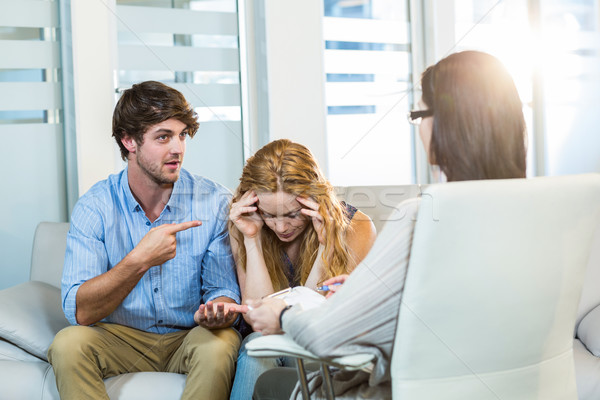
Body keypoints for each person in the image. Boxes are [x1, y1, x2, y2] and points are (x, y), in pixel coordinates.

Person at [245, 50, 527, 399]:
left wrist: (284, 314)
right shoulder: (541, 215)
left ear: (445, 125)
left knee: (269, 386)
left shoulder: (419, 220)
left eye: (419, 114)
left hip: (417, 389)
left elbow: (328, 336)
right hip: (505, 386)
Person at [47, 81, 244, 400]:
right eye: (163, 137)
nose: (178, 148)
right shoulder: (95, 207)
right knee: (68, 344)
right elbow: (80, 312)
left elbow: (222, 288)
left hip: (190, 336)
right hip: (120, 339)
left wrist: (220, 308)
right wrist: (139, 261)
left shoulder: (214, 202)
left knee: (221, 343)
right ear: (129, 141)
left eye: (182, 135)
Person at [228, 139, 377, 399]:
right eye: (269, 215)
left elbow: (315, 319)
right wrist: (252, 239)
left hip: (323, 344)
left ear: (315, 199)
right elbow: (258, 320)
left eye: (293, 214)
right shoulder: (245, 224)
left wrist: (325, 246)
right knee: (256, 347)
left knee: (272, 350)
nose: (281, 227)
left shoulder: (357, 226)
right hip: (267, 340)